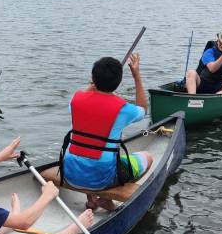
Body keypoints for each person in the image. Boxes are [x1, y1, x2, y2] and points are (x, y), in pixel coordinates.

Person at [60, 54, 153, 212]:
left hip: (70, 172)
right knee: (148, 158)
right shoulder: (123, 109)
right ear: (119, 82)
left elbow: (84, 95)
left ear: (93, 78)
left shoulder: (75, 100)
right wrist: (137, 76)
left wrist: (92, 85)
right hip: (101, 179)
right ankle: (104, 199)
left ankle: (91, 201)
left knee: (87, 153)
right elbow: (143, 108)